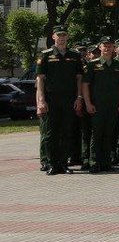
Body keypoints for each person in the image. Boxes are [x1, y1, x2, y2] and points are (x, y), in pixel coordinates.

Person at [35, 25, 84, 175]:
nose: (62, 38)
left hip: (69, 98)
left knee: (67, 132)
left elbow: (79, 79)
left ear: (67, 37)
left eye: (64, 35)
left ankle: (63, 163)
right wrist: (41, 100)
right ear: (53, 36)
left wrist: (79, 97)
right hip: (52, 98)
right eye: (59, 35)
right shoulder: (45, 55)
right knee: (51, 133)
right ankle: (51, 164)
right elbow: (40, 80)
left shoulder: (75, 56)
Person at [81, 36, 119, 173]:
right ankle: (94, 162)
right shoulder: (92, 65)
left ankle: (106, 162)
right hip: (97, 105)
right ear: (100, 47)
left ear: (114, 48)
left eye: (110, 46)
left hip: (112, 105)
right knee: (96, 134)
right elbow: (85, 85)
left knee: (109, 134)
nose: (107, 48)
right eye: (105, 45)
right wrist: (87, 103)